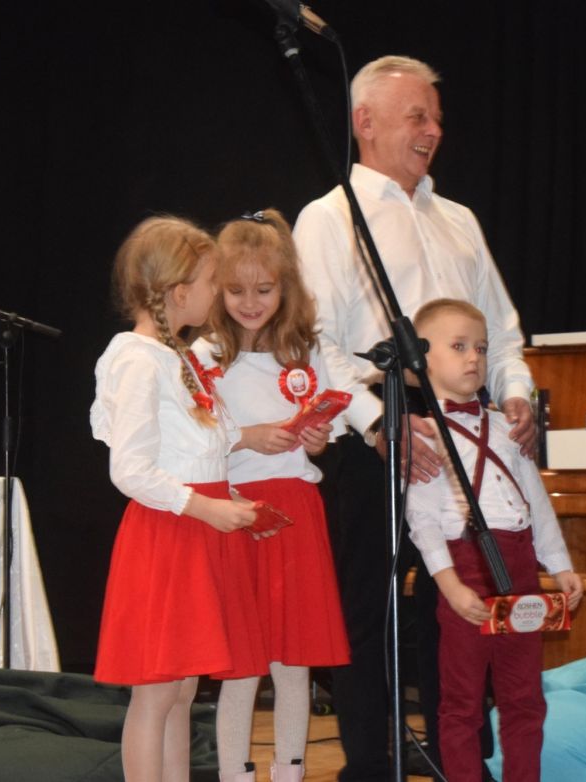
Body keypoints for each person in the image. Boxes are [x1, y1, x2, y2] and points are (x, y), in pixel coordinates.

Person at [293, 54, 536, 778]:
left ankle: (461, 760)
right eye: (417, 117)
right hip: (376, 426)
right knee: (370, 608)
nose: (433, 130)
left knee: (462, 605)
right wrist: (378, 423)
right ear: (364, 122)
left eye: (436, 118)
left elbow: (502, 329)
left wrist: (515, 392)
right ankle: (373, 762)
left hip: (466, 428)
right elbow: (316, 341)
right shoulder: (329, 217)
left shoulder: (458, 219)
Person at [90, 216, 266, 781]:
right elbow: (130, 468)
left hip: (199, 532)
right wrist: (206, 507)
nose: (218, 292)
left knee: (184, 689)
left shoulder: (180, 356)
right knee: (158, 692)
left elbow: (202, 448)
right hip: (168, 536)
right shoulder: (137, 360)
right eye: (213, 281)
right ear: (178, 290)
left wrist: (231, 499)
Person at [192, 209, 351, 782]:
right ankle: (235, 773)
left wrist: (316, 438)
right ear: (216, 289)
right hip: (236, 512)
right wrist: (246, 437)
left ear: (286, 287)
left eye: (264, 289)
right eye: (236, 290)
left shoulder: (304, 350)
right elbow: (192, 440)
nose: (250, 302)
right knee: (240, 665)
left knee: (293, 661)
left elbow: (320, 437)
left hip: (297, 513)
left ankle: (290, 771)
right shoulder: (205, 355)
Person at [404, 298, 582, 782]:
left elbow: (535, 501)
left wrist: (559, 564)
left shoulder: (505, 425)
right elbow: (423, 520)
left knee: (525, 698)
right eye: (459, 346)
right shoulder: (423, 436)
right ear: (422, 358)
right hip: (467, 570)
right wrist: (449, 585)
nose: (473, 358)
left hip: (521, 569)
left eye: (480, 348)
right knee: (461, 703)